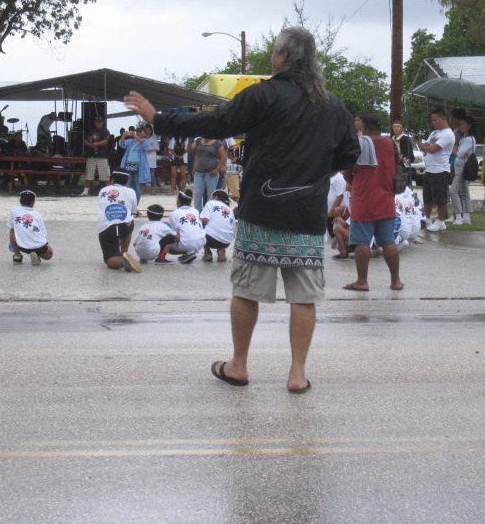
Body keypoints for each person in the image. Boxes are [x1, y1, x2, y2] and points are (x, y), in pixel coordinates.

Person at [124, 26, 360, 393]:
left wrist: (160, 119)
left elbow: (216, 122)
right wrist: (313, 176)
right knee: (304, 297)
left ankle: (239, 366)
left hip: (262, 212)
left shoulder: (263, 95)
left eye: (274, 53)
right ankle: (297, 374)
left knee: (247, 291)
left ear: (282, 57)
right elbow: (348, 154)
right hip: (307, 216)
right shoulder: (334, 105)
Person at [343, 112, 404, 292]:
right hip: (386, 197)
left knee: (362, 242)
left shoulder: (359, 144)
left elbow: (348, 171)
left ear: (365, 126)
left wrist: (354, 181)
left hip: (364, 197)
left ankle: (362, 281)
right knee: (388, 241)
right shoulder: (390, 143)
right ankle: (396, 281)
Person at [412, 109, 455, 231]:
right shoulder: (434, 133)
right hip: (430, 169)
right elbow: (425, 147)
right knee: (428, 196)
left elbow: (433, 149)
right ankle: (427, 218)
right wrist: (419, 142)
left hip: (440, 170)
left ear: (443, 119)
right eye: (432, 120)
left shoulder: (447, 134)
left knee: (440, 197)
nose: (434, 122)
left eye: (435, 120)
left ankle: (441, 221)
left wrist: (426, 146)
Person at [97, 170, 142, 272]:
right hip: (126, 226)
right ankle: (124, 253)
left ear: (112, 180)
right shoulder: (131, 191)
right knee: (128, 219)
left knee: (110, 261)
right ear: (127, 181)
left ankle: (122, 262)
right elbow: (133, 211)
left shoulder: (103, 190)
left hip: (107, 228)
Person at [8, 190, 54, 265]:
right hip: (39, 246)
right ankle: (36, 253)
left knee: (12, 229)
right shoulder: (37, 214)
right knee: (49, 254)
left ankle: (17, 255)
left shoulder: (14, 210)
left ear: (20, 201)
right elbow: (43, 233)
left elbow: (12, 227)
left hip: (20, 245)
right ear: (33, 202)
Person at [189, 137, 228, 212]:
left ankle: (208, 214)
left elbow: (223, 156)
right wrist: (189, 141)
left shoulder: (217, 143)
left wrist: (217, 169)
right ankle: (198, 214)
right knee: (197, 195)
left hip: (211, 172)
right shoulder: (198, 141)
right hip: (199, 172)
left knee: (210, 195)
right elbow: (190, 151)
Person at [167, 188, 206, 263]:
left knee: (167, 238)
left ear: (178, 201)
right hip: (201, 242)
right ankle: (190, 253)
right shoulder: (195, 211)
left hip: (185, 243)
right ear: (190, 202)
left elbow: (175, 233)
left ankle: (187, 252)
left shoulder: (173, 214)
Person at [449, 114, 475, 225]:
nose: (461, 126)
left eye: (463, 124)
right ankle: (466, 216)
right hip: (459, 168)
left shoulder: (469, 139)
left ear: (469, 126)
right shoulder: (463, 138)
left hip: (462, 169)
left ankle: (458, 215)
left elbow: (460, 154)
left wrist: (453, 148)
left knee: (453, 191)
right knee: (464, 192)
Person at [199, 189, 236, 262]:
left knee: (200, 224)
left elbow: (205, 220)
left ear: (215, 197)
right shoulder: (230, 210)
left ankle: (207, 253)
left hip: (210, 239)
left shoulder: (211, 203)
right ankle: (221, 249)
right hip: (226, 241)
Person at [118, 126, 150, 206]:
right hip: (128, 166)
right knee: (127, 187)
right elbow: (121, 144)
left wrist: (136, 136)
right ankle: (127, 205)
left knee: (137, 188)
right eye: (137, 131)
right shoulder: (130, 141)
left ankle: (135, 207)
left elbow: (144, 145)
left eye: (141, 131)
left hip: (139, 168)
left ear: (144, 133)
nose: (138, 133)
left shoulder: (146, 141)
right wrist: (123, 136)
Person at [80, 117, 110, 197]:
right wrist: (90, 145)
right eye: (97, 122)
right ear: (95, 122)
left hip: (102, 156)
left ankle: (109, 192)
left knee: (105, 176)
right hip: (91, 155)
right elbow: (85, 140)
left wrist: (96, 144)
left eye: (100, 122)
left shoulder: (105, 131)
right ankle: (86, 192)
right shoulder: (91, 131)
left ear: (102, 122)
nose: (98, 123)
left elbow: (106, 141)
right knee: (89, 174)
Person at [391, 119, 415, 185]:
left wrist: (406, 156)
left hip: (401, 163)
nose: (396, 128)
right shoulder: (391, 139)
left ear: (401, 128)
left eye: (397, 126)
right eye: (394, 127)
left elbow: (408, 150)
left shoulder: (405, 138)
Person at [144, 124, 160, 194]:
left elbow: (157, 149)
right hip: (144, 160)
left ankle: (153, 188)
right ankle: (142, 188)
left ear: (151, 131)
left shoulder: (153, 140)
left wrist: (150, 150)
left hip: (151, 160)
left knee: (152, 175)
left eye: (148, 130)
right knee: (143, 175)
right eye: (146, 130)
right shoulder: (142, 139)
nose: (147, 131)